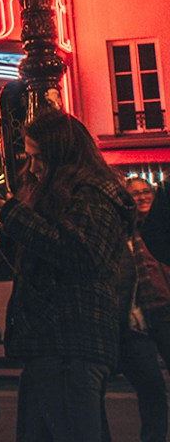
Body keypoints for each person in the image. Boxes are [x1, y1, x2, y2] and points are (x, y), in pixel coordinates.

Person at [0, 111, 136, 442]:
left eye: (38, 157)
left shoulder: (95, 193)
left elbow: (83, 256)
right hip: (53, 342)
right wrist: (12, 228)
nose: (32, 167)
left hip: (69, 341)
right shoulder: (71, 193)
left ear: (61, 154)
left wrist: (17, 217)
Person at [119, 176, 170, 442]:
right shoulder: (125, 232)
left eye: (146, 191)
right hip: (138, 316)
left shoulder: (161, 226)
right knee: (151, 387)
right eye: (136, 194)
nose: (142, 196)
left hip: (164, 311)